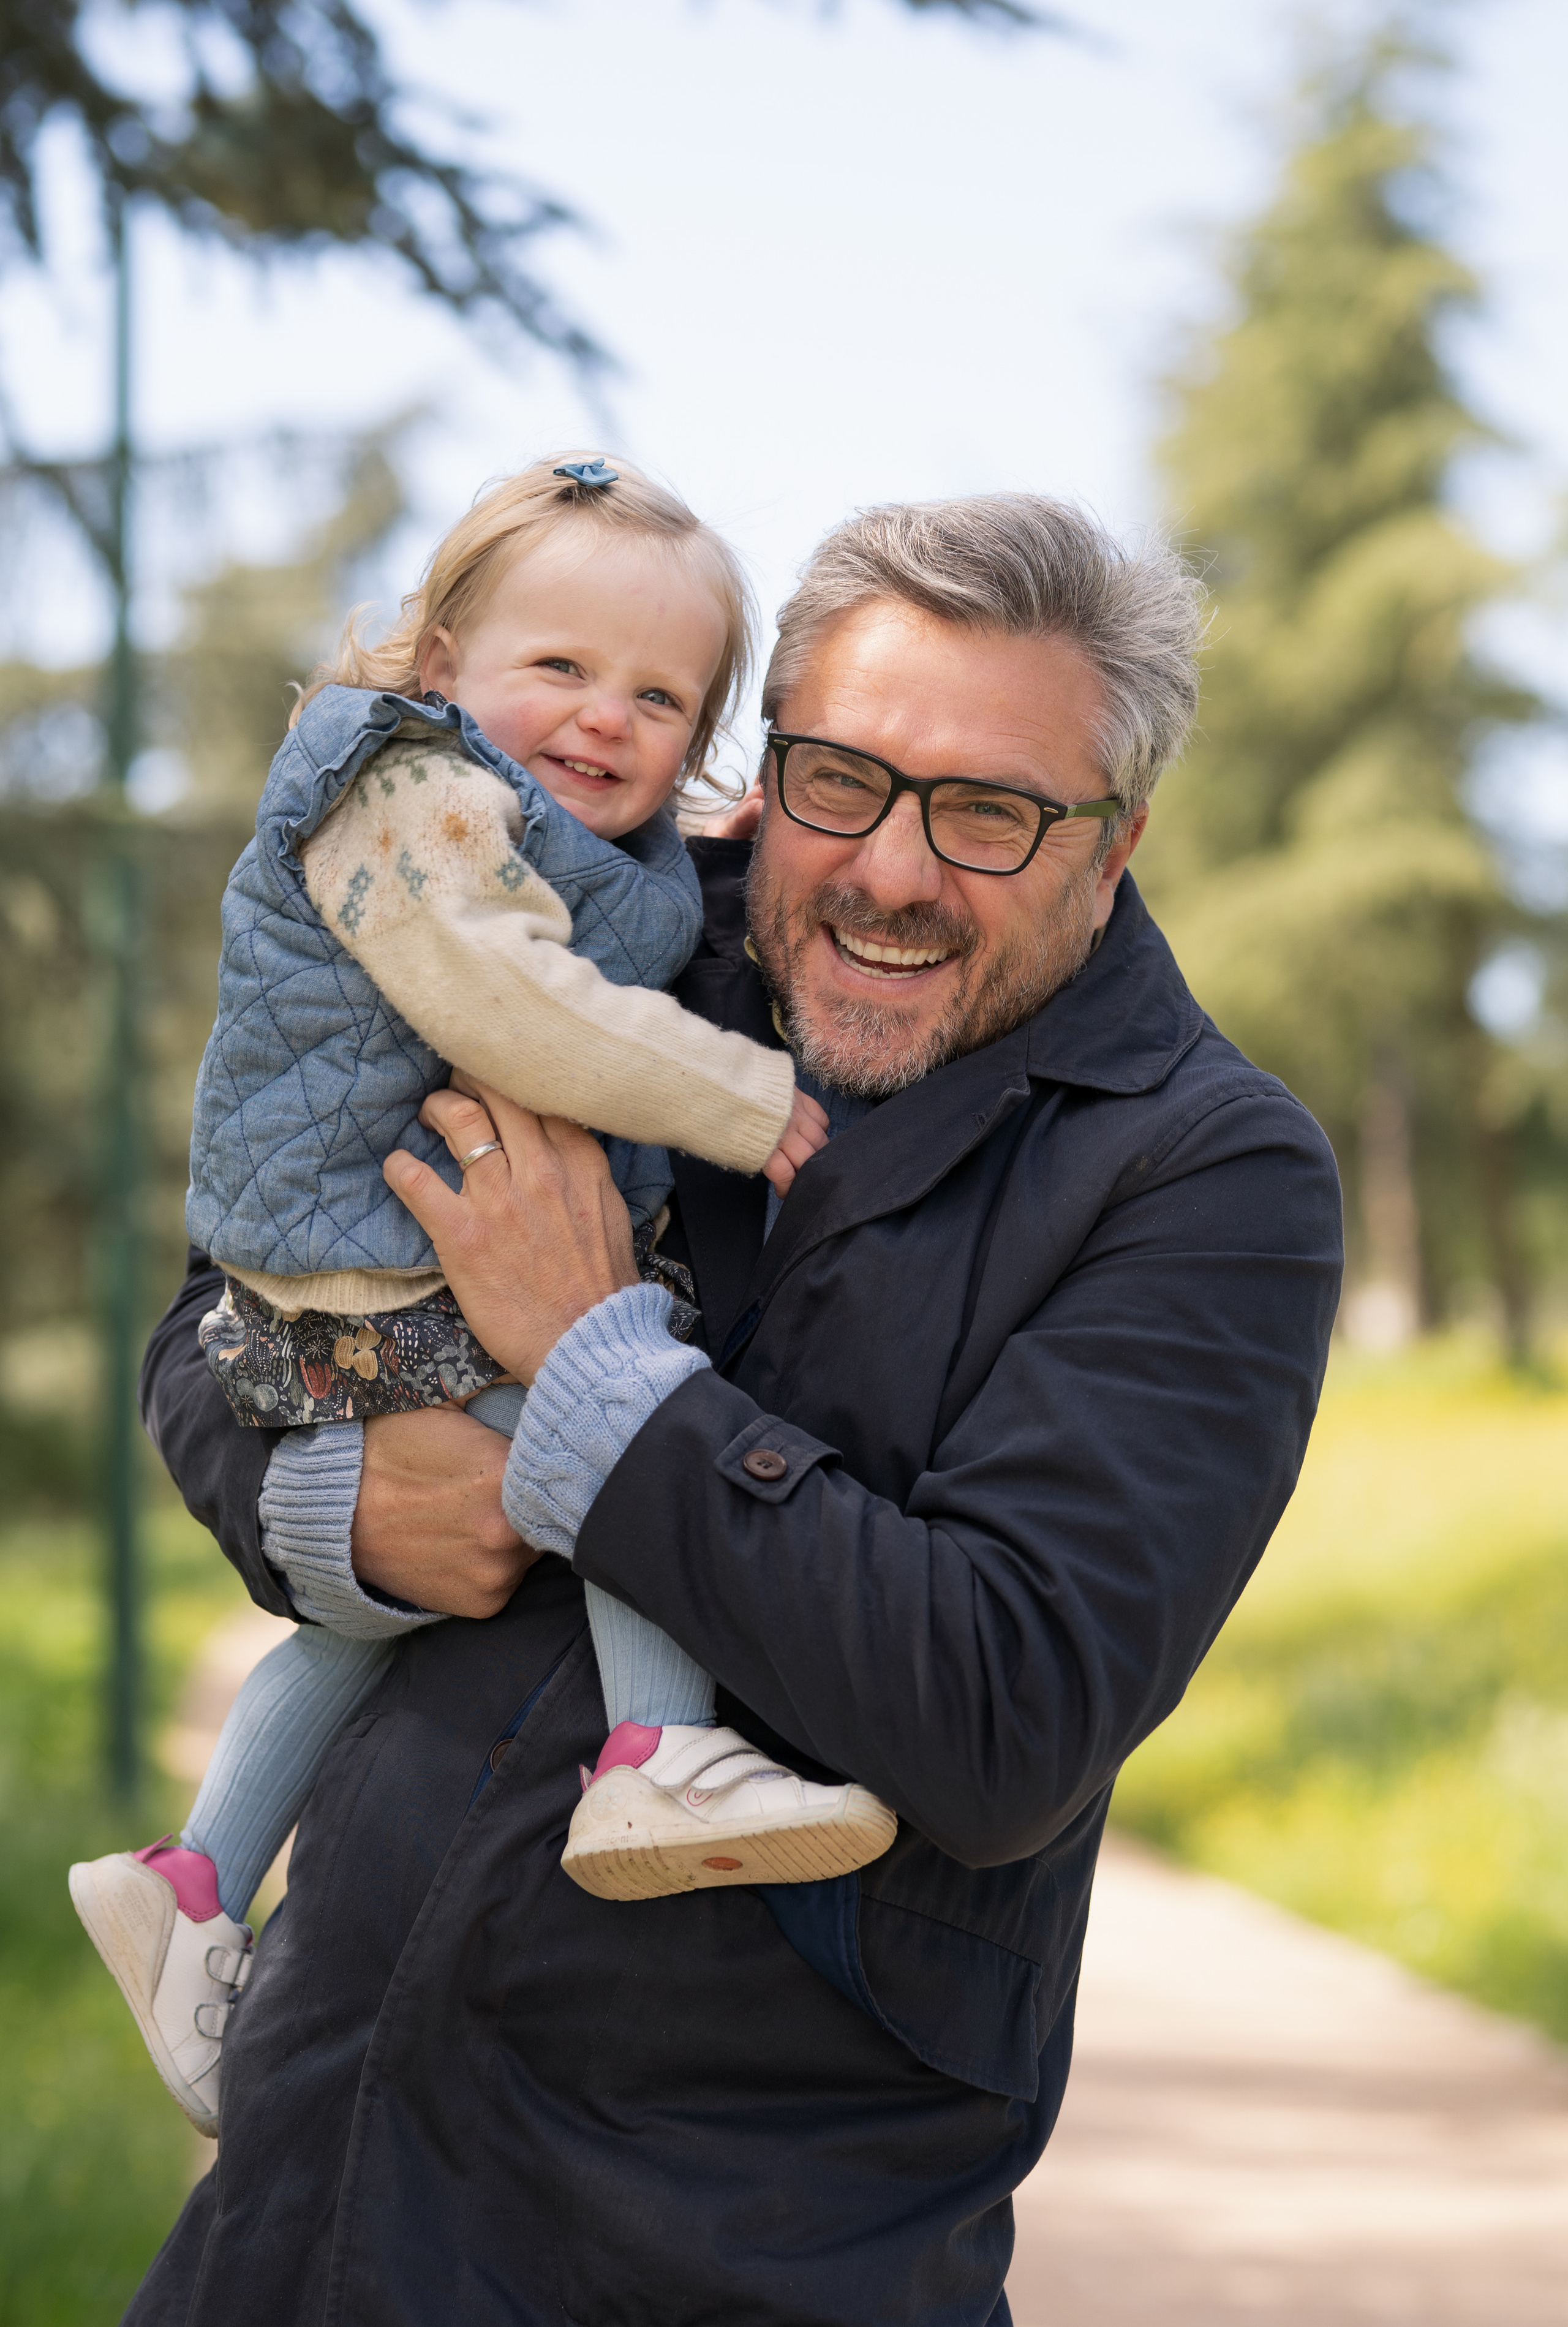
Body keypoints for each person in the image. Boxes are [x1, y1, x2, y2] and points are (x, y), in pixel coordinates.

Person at [127, 491, 1343, 2327]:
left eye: (990, 812)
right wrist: (340, 1509)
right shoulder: (587, 934)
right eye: (842, 780)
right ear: (761, 766)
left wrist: (602, 1374)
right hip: (308, 2189)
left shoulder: (1208, 1175)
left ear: (1116, 843)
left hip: (734, 2258)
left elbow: (1004, 1711)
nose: (893, 872)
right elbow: (229, 1303)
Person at [67, 453, 895, 2143]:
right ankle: (656, 1757)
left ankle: (197, 1877)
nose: (606, 717)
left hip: (366, 1253)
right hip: (356, 1256)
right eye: (561, 667)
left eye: (660, 698)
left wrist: (743, 848)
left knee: (378, 1613)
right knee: (607, 1418)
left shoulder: (545, 818)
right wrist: (746, 1103)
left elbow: (597, 907)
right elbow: (517, 1002)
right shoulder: (408, 793)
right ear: (442, 662)